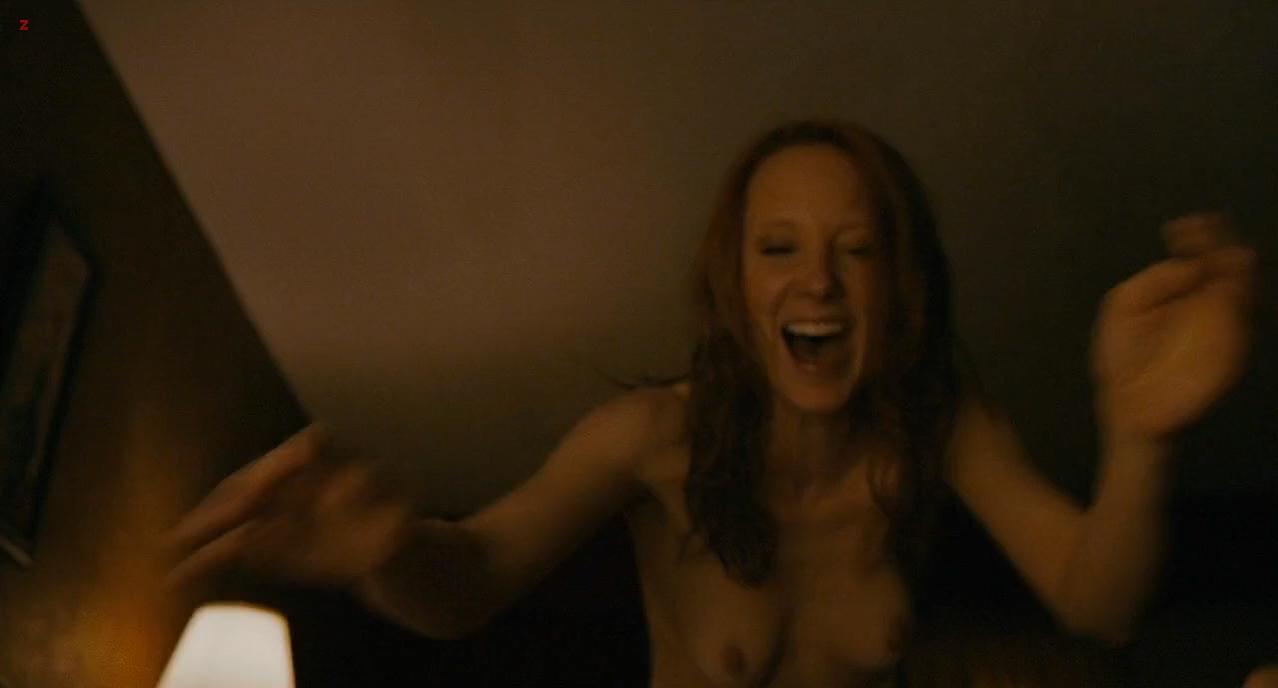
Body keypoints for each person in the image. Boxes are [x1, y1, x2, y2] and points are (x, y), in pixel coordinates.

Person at [166, 120, 1257, 687]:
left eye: (856, 249)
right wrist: (388, 551)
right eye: (778, 248)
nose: (817, 282)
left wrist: (1140, 441)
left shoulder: (941, 427)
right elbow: (473, 581)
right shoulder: (654, 438)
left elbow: (1096, 607)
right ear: (734, 285)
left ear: (900, 285)